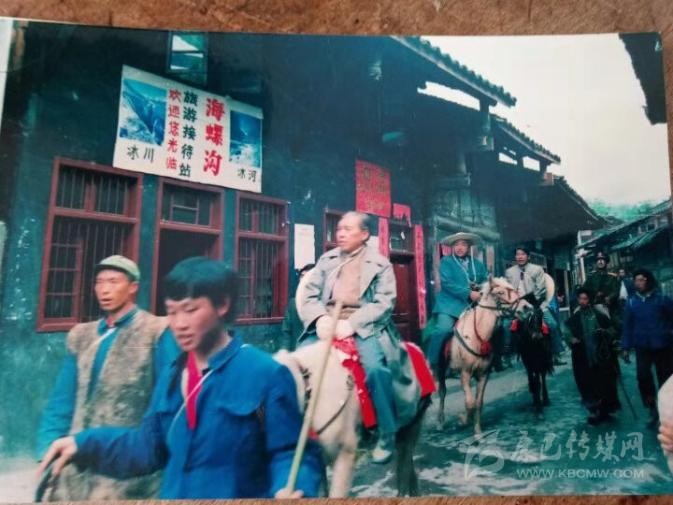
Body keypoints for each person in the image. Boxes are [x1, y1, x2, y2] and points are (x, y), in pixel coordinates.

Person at [38, 257, 322, 499]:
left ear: (222, 305)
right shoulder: (173, 376)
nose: (179, 323)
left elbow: (291, 452)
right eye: (172, 312)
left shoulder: (264, 374)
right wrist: (83, 444)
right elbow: (147, 448)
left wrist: (293, 487)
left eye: (191, 310)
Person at [36, 255, 178, 501]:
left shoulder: (155, 332)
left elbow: (167, 404)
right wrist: (48, 448)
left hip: (128, 472)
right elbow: (62, 401)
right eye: (99, 282)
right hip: (75, 467)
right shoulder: (81, 335)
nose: (104, 290)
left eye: (113, 282)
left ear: (133, 287)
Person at [298, 211, 419, 465]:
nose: (340, 234)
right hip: (326, 322)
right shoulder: (327, 260)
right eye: (339, 229)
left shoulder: (380, 264)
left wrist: (352, 324)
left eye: (348, 229)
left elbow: (385, 303)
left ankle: (387, 432)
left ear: (364, 235)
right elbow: (308, 295)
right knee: (297, 364)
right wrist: (319, 319)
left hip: (364, 325)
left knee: (375, 369)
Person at [427, 232, 487, 370]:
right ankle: (431, 362)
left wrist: (481, 288)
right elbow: (447, 284)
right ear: (452, 247)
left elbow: (485, 280)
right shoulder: (446, 262)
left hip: (471, 305)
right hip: (449, 304)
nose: (459, 248)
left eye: (463, 244)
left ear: (469, 247)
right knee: (443, 329)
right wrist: (468, 293)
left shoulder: (477, 264)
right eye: (456, 245)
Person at [621, 268, 673, 427]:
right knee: (643, 376)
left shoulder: (662, 299)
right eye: (636, 280)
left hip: (663, 345)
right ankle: (652, 407)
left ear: (648, 281)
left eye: (641, 280)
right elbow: (627, 326)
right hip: (642, 346)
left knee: (665, 379)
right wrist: (625, 347)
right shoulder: (631, 302)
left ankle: (667, 411)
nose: (638, 283)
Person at [565, 287, 620, 425]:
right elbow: (567, 331)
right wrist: (571, 338)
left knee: (603, 383)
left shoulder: (598, 314)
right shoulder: (575, 317)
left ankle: (604, 410)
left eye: (585, 299)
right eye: (580, 299)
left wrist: (605, 332)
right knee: (586, 383)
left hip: (600, 356)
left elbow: (612, 329)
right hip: (583, 357)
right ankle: (594, 411)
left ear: (589, 300)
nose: (582, 301)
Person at [504, 246, 565, 367]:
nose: (520, 257)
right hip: (516, 306)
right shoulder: (509, 272)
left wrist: (529, 302)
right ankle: (506, 356)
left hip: (536, 304)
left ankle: (556, 354)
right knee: (505, 325)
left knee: (552, 324)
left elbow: (541, 289)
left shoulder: (537, 269)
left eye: (523, 254)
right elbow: (508, 290)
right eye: (518, 254)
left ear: (528, 256)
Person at [278, 263, 315, 351]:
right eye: (302, 276)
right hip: (296, 352)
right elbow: (286, 332)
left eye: (308, 276)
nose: (304, 279)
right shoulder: (293, 303)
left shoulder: (323, 303)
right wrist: (284, 351)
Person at [583, 251, 621, 320]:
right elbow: (585, 290)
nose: (600, 262)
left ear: (606, 262)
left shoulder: (612, 277)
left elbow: (616, 291)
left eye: (602, 260)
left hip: (609, 307)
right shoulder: (591, 277)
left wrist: (609, 297)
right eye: (598, 260)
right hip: (593, 306)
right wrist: (594, 295)